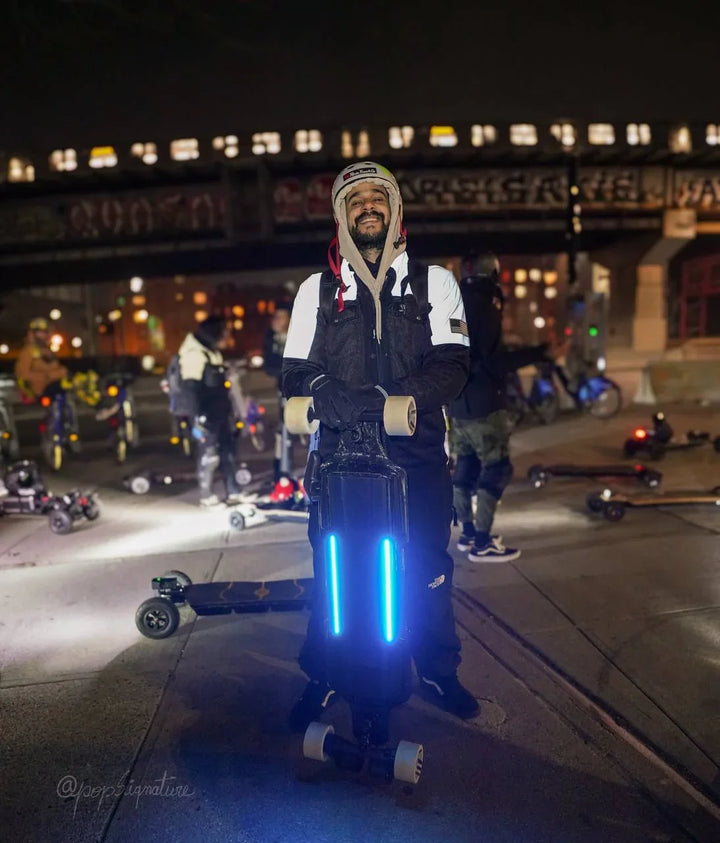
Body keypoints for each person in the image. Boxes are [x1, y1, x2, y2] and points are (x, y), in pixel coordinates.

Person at [282, 160, 478, 730]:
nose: (368, 206)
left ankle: (437, 669)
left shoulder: (434, 283)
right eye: (355, 199)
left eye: (378, 196)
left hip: (417, 460)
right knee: (336, 575)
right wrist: (324, 389)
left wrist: (392, 397)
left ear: (394, 209)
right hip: (340, 464)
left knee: (427, 572)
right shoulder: (318, 290)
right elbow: (295, 371)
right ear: (341, 215)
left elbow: (453, 365)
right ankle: (326, 674)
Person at [448, 252, 555, 562]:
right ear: (491, 274)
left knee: (465, 467)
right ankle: (482, 542)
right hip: (485, 404)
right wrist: (539, 352)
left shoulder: (453, 305)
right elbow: (494, 363)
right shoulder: (486, 307)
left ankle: (468, 533)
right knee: (497, 469)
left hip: (458, 404)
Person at [177, 315, 242, 507]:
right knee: (209, 454)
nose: (227, 337)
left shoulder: (210, 351)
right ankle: (207, 497)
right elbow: (190, 389)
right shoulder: (193, 354)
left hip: (220, 410)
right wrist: (197, 417)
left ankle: (233, 492)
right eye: (224, 333)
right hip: (205, 414)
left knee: (228, 451)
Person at [15, 317, 106, 420]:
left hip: (53, 384)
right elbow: (23, 374)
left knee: (88, 377)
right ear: (33, 333)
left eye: (46, 332)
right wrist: (50, 376)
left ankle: (100, 403)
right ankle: (100, 407)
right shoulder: (28, 351)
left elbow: (55, 367)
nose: (44, 335)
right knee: (77, 381)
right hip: (41, 389)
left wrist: (64, 371)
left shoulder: (47, 350)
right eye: (40, 332)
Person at [262, 302, 292, 481]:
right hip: (283, 388)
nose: (276, 321)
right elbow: (269, 365)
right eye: (276, 317)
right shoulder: (271, 338)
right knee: (282, 431)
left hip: (302, 388)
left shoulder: (297, 334)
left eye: (281, 317)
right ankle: (281, 471)